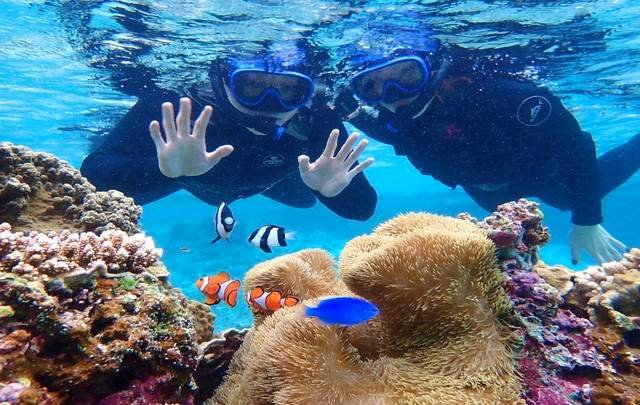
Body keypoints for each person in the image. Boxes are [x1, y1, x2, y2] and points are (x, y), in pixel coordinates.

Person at [334, 30, 639, 264]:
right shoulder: (401, 120)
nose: (393, 93)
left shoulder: (501, 95)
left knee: (567, 199)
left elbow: (575, 145)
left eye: (408, 75)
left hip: (546, 175)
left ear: (432, 69)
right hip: (487, 194)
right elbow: (397, 137)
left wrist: (587, 219)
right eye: (370, 86)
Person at [81, 42, 377, 221]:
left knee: (307, 200)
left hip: (271, 180)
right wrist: (166, 171)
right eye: (251, 86)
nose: (270, 103)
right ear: (222, 82)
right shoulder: (180, 107)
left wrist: (331, 191)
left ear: (307, 93)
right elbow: (94, 180)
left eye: (289, 90)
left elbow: (361, 209)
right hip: (190, 179)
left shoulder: (315, 118)